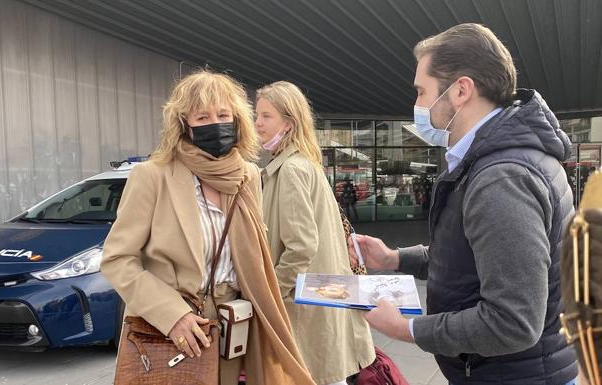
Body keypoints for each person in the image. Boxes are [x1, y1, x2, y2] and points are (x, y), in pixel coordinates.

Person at [349, 23, 578, 384]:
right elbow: (473, 259)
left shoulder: (502, 178)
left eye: (422, 92)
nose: (417, 106)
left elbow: (512, 322)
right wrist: (394, 258)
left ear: (460, 90)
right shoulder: (495, 162)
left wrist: (408, 328)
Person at [101, 70, 315, 385]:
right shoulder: (152, 176)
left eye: (223, 114)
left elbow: (254, 256)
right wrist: (173, 315)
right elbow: (117, 259)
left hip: (232, 327)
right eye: (202, 117)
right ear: (184, 124)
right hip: (172, 330)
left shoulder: (247, 176)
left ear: (237, 119)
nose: (214, 123)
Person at [255, 81, 375, 385]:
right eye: (257, 115)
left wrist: (272, 293)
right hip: (322, 302)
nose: (257, 124)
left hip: (303, 307)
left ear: (288, 123)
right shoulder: (304, 164)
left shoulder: (291, 170)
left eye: (266, 116)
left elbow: (300, 247)